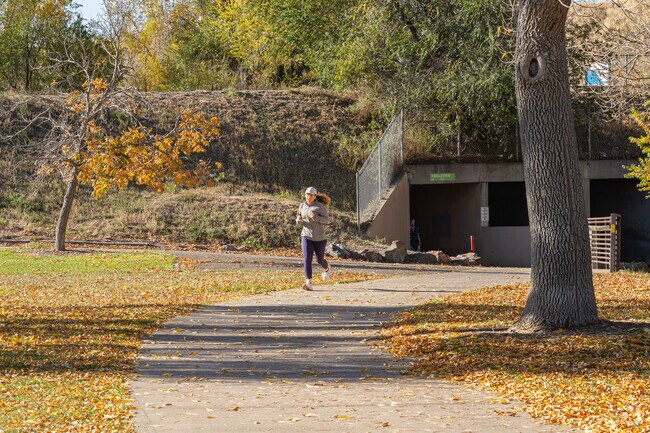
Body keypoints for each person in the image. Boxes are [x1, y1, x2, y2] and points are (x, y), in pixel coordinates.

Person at [296, 186, 332, 291]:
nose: (308, 196)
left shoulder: (319, 206)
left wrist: (315, 218)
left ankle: (327, 268)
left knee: (319, 260)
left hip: (320, 238)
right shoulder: (302, 206)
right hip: (306, 236)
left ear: (315, 196)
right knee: (307, 259)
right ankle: (308, 282)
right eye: (307, 194)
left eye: (311, 195)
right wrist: (298, 220)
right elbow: (299, 217)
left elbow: (327, 220)